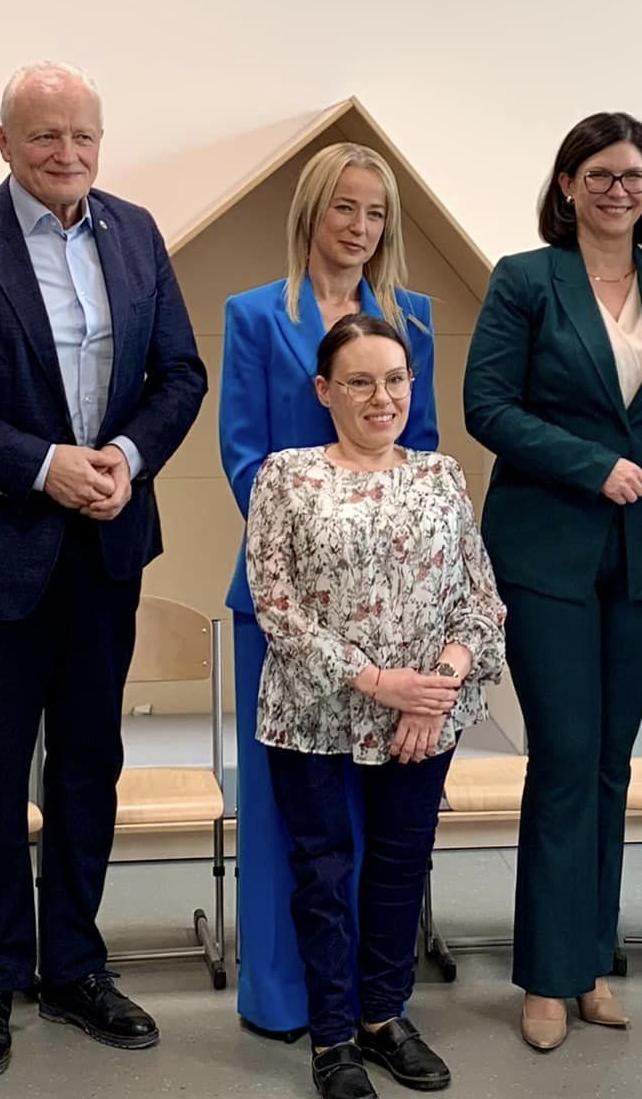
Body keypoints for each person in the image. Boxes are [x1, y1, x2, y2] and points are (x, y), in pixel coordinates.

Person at [0, 62, 207, 1081]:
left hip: (106, 542)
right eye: (44, 136)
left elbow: (179, 373)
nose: (66, 154)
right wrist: (44, 466)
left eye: (82, 136)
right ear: (3, 143)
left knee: (87, 761)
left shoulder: (135, 232)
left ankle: (74, 963)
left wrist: (124, 457)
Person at [463, 111, 642, 1053]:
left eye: (635, 176)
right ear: (568, 184)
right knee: (567, 755)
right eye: (602, 174)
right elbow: (487, 405)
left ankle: (591, 961)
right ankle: (547, 972)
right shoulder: (525, 279)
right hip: (546, 548)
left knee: (614, 761)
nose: (620, 190)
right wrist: (591, 465)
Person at [247, 312, 505, 1099]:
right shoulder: (285, 475)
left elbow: (480, 603)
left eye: (394, 379)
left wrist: (436, 690)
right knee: (324, 873)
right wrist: (376, 681)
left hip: (421, 716)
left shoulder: (441, 476)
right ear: (324, 390)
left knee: (400, 865)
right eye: (359, 382)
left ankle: (384, 1018)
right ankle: (332, 1038)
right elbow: (277, 605)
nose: (380, 397)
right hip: (311, 713)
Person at [219, 142, 438, 1041]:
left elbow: (419, 453)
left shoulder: (413, 319)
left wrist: (380, 570)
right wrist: (320, 560)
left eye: (376, 212)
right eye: (344, 207)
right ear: (311, 212)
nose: (359, 226)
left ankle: (371, 1004)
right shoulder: (253, 315)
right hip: (288, 606)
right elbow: (243, 453)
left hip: (396, 609)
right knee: (292, 823)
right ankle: (285, 999)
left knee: (378, 824)